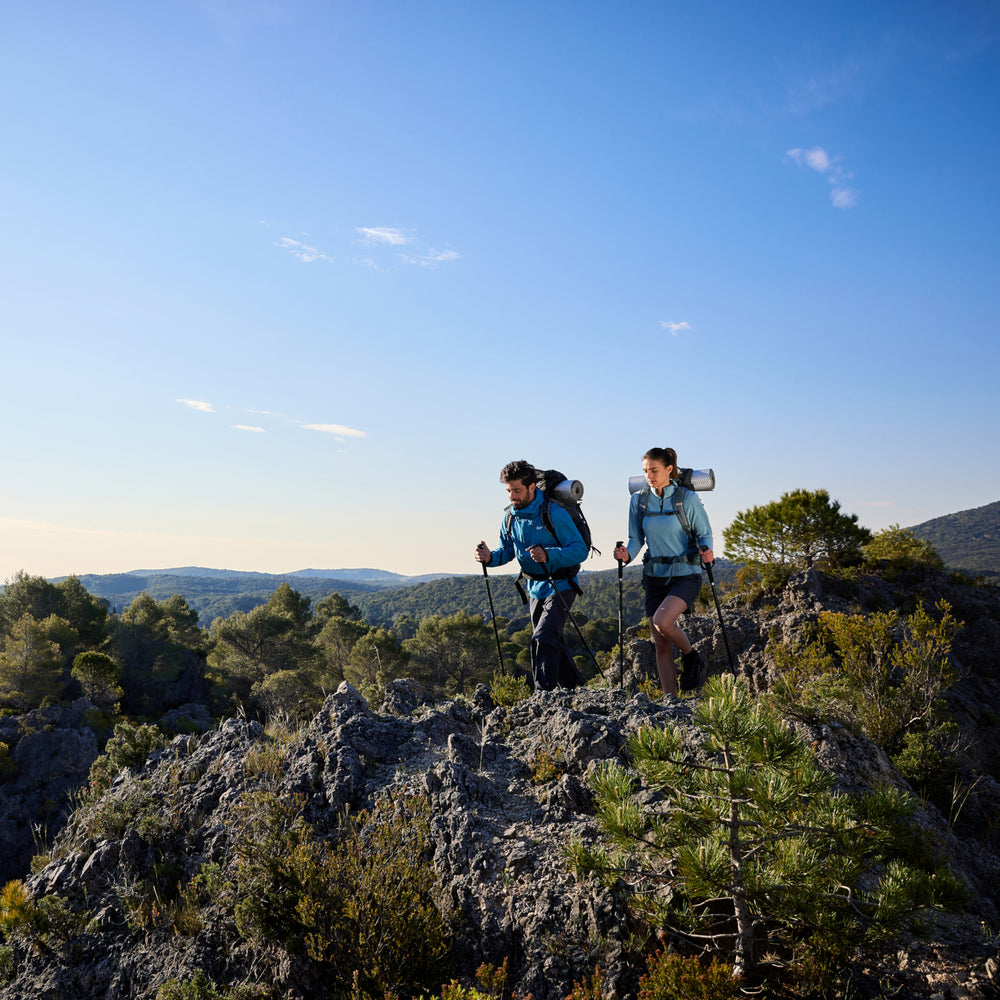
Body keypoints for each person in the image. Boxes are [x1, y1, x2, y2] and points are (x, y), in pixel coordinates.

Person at [475, 460, 588, 691]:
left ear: (532, 487)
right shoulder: (510, 517)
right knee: (552, 640)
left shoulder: (553, 512)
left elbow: (580, 551)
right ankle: (575, 690)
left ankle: (542, 697)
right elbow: (507, 551)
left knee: (543, 638)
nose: (512, 496)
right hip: (534, 588)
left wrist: (548, 554)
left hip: (561, 585)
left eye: (517, 490)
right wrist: (489, 557)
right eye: (509, 491)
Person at [613, 447, 714, 696]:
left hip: (686, 574)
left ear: (669, 469)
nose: (649, 476)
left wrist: (707, 551)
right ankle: (671, 700)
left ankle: (691, 657)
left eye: (654, 470)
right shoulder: (638, 501)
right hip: (654, 577)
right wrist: (626, 555)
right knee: (660, 643)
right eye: (645, 471)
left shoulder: (686, 498)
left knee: (662, 622)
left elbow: (704, 533)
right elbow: (636, 538)